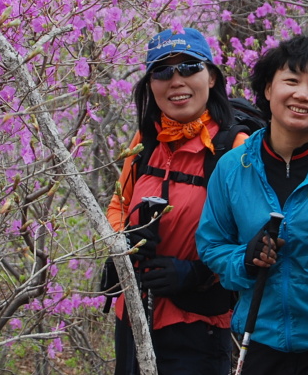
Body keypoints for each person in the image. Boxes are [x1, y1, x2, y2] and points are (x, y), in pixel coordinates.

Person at [196, 35, 308, 375]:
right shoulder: (233, 167)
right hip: (261, 344)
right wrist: (245, 259)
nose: (302, 94)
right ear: (268, 90)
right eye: (292, 81)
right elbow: (211, 244)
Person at [105, 27, 246, 375]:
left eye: (189, 67)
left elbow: (254, 241)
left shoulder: (235, 148)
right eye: (163, 71)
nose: (176, 80)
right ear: (151, 84)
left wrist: (199, 272)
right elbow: (117, 205)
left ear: (211, 77)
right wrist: (124, 239)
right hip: (133, 316)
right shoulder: (146, 140)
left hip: (197, 324)